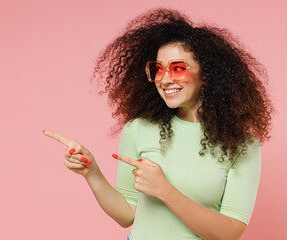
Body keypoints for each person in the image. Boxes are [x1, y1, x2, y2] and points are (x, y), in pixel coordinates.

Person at [43, 8, 274, 240]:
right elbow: (127, 215)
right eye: (158, 69)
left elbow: (230, 233)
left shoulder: (241, 146)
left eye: (178, 68)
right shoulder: (139, 129)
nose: (164, 79)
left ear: (207, 74)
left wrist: (165, 190)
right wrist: (91, 172)